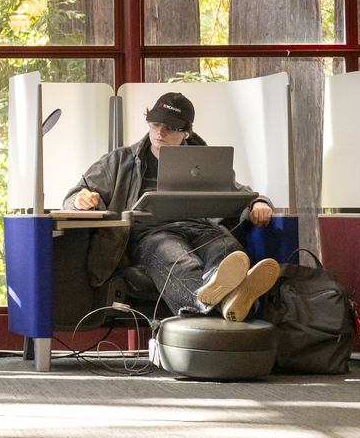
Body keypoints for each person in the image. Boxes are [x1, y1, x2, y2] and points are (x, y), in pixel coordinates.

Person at [63, 91, 282, 322]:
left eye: (170, 127)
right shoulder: (119, 161)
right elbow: (74, 195)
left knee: (228, 251)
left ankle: (227, 300)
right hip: (152, 233)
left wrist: (259, 203)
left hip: (203, 229)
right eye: (155, 124)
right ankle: (229, 302)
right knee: (179, 261)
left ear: (186, 131)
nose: (160, 132)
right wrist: (79, 200)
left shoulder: (205, 161)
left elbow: (239, 194)